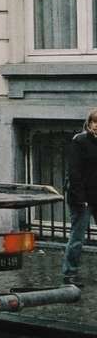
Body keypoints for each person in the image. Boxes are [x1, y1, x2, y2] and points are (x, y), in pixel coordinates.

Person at [62, 109, 97, 285]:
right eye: (95, 122)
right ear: (89, 124)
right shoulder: (80, 141)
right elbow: (74, 172)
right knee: (77, 238)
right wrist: (80, 198)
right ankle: (70, 274)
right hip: (81, 198)